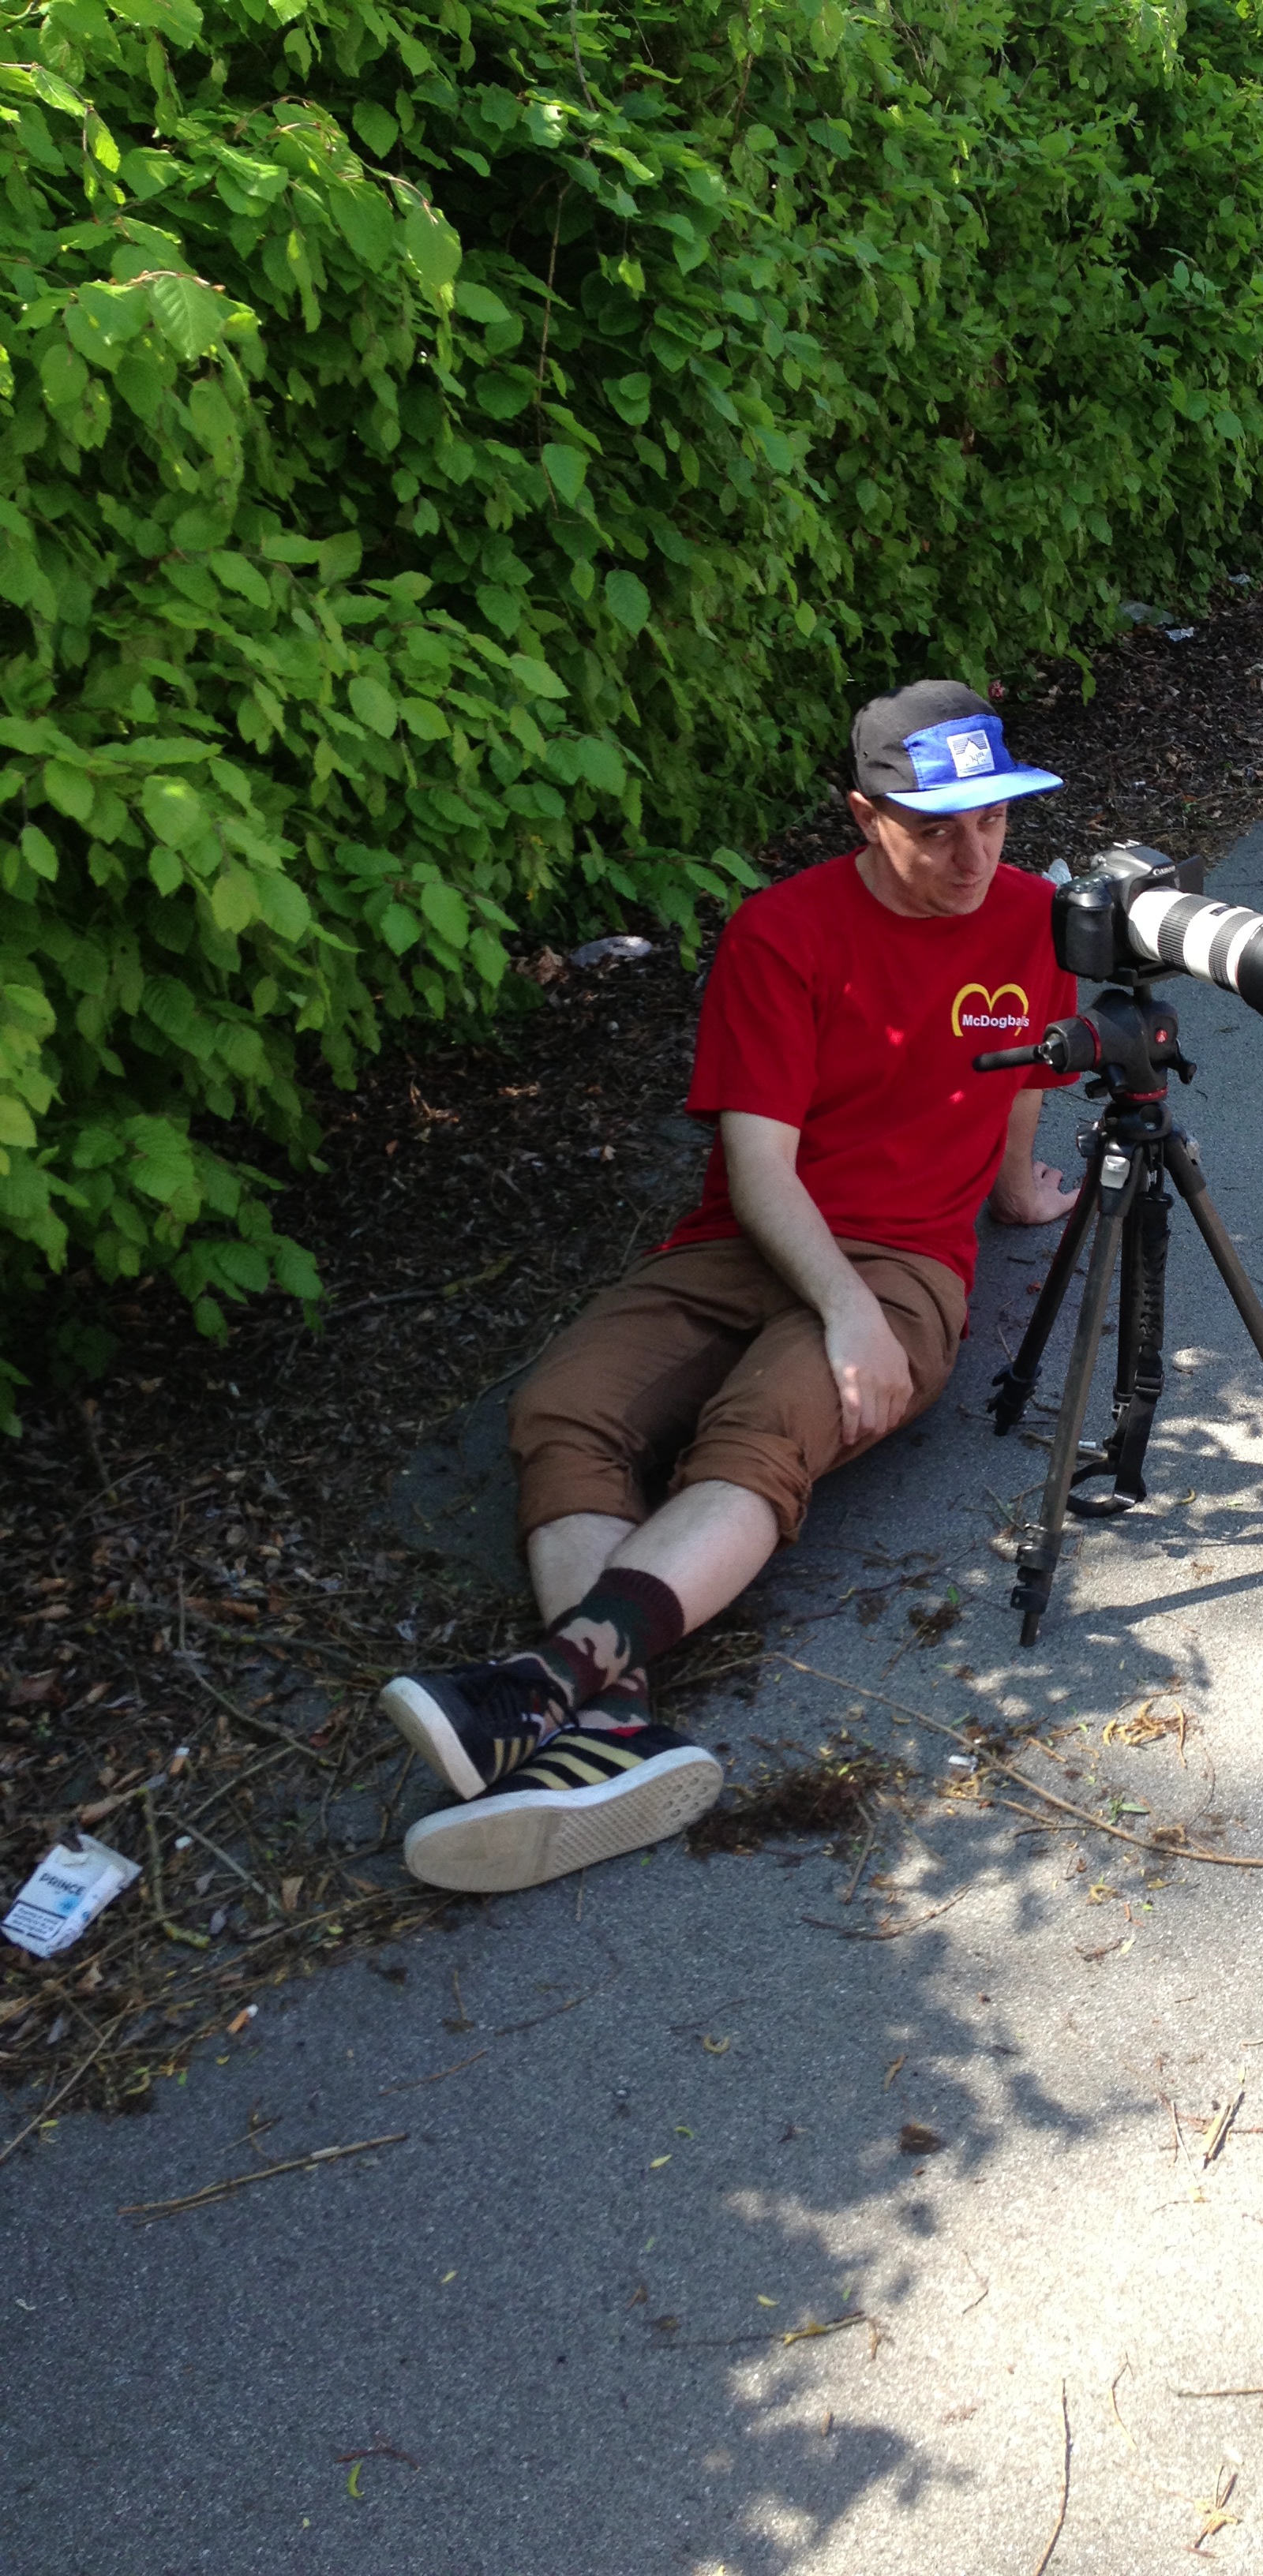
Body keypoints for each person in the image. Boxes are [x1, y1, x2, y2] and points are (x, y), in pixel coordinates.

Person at [381, 680, 1079, 1891]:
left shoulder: (1036, 919)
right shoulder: (784, 932)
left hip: (913, 1259)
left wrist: (1012, 1196)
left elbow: (1023, 1075)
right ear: (865, 815)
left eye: (996, 820)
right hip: (752, 1238)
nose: (974, 853)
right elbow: (759, 1167)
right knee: (565, 1409)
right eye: (936, 827)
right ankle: (612, 1726)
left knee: (759, 1431)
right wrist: (840, 1306)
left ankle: (548, 1689)